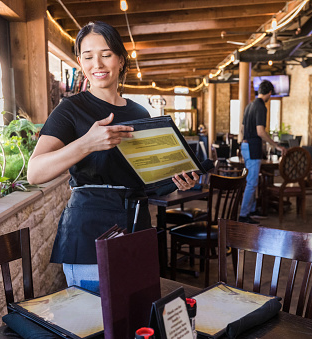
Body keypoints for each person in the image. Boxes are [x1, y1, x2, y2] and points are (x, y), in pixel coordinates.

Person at [27, 21, 199, 293]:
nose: (98, 63)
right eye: (88, 56)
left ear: (120, 59)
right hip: (89, 229)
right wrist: (87, 143)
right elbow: (35, 172)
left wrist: (176, 180)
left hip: (137, 226)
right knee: (96, 323)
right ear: (81, 62)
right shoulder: (70, 109)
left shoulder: (140, 113)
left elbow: (142, 179)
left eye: (106, 54)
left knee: (135, 316)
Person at [239, 80, 285, 224]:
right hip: (253, 148)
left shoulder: (249, 106)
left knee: (250, 181)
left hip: (245, 146)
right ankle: (243, 215)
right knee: (252, 183)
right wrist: (275, 145)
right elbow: (260, 131)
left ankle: (252, 210)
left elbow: (241, 129)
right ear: (270, 93)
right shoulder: (261, 107)